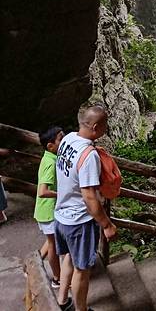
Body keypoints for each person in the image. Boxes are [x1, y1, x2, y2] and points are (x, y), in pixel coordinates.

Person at [54, 106, 118, 311]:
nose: (107, 128)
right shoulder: (89, 155)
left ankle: (62, 301)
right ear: (96, 127)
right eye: (105, 125)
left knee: (69, 257)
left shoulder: (67, 139)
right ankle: (81, 309)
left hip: (61, 215)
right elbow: (89, 196)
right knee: (82, 269)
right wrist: (106, 225)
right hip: (79, 221)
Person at [34, 126, 64, 287]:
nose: (64, 141)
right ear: (50, 146)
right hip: (48, 211)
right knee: (53, 244)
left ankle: (32, 266)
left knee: (51, 240)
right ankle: (57, 278)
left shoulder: (50, 157)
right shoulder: (50, 163)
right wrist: (63, 194)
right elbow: (42, 191)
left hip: (46, 210)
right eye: (61, 139)